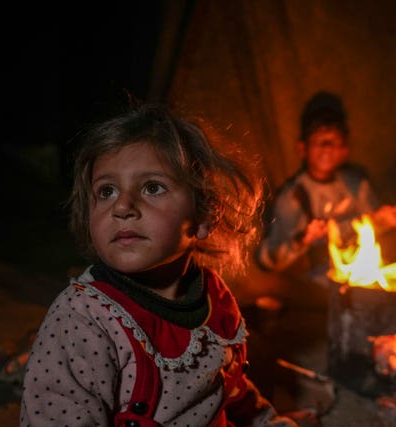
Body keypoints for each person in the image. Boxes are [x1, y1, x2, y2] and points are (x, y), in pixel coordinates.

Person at [20, 103, 319, 427]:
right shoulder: (82, 319)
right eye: (106, 191)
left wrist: (265, 421)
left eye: (152, 187)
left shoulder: (212, 299)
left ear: (204, 217)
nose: (122, 206)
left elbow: (226, 386)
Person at [256, 91, 396, 287]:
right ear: (302, 148)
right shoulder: (294, 196)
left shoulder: (356, 184)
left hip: (362, 276)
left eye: (334, 142)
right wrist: (303, 239)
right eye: (320, 142)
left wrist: (383, 222)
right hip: (319, 284)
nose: (327, 149)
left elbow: (372, 234)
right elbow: (269, 259)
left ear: (345, 150)